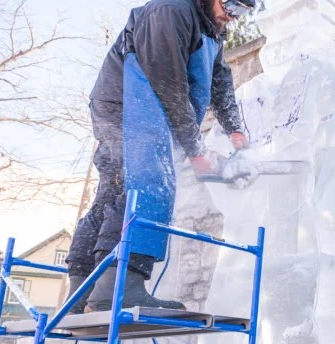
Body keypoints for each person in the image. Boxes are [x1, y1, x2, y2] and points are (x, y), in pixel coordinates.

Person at [66, 0, 256, 313]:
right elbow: (170, 87)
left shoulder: (213, 30)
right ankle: (120, 286)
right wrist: (195, 149)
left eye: (243, 11)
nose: (233, 16)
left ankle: (82, 292)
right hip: (125, 103)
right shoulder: (171, 12)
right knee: (150, 182)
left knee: (115, 190)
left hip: (151, 107)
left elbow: (220, 82)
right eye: (231, 4)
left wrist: (236, 131)